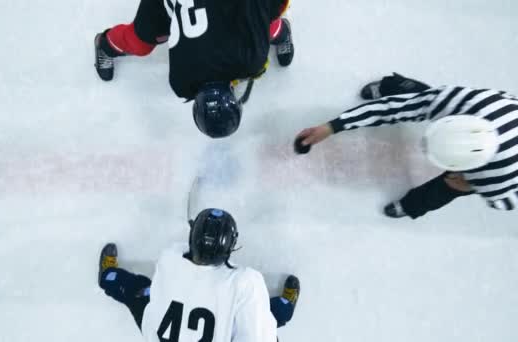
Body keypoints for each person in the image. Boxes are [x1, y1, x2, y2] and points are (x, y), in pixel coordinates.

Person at [294, 73, 518, 219]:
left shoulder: (495, 182)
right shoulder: (467, 103)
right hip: (500, 111)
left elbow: (507, 202)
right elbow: (393, 109)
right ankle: (393, 86)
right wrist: (333, 126)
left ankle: (412, 205)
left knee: (445, 190)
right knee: (420, 100)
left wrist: (469, 186)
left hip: (491, 170)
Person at [94, 0, 295, 138]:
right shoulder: (181, 83)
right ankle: (105, 44)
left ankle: (281, 30)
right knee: (261, 19)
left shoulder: (250, 61)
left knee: (261, 18)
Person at [98, 208, 300, 341]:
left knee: (138, 291)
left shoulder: (171, 258)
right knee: (260, 315)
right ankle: (285, 307)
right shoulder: (245, 283)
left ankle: (109, 276)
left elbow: (184, 253)